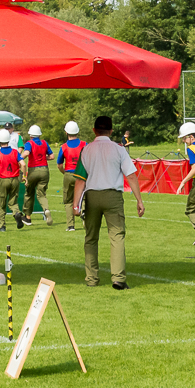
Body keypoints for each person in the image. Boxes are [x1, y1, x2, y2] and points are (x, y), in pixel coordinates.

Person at [71, 115, 145, 289]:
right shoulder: (119, 149)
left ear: (94, 130)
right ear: (111, 131)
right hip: (113, 196)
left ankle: (91, 278)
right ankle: (118, 278)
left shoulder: (86, 150)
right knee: (117, 236)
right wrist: (139, 200)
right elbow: (131, 175)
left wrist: (76, 204)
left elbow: (80, 180)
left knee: (91, 238)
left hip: (92, 196)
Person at [0, 129, 25, 232]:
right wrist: (24, 176)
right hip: (15, 179)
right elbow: (23, 164)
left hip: (4, 180)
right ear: (8, 140)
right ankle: (16, 213)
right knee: (13, 202)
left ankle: (2, 226)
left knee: (2, 204)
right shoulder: (15, 152)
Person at [21, 125, 54, 226]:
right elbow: (52, 156)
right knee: (42, 194)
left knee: (29, 193)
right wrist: (43, 158)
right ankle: (46, 209)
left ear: (30, 135)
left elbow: (26, 153)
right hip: (45, 170)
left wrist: (18, 159)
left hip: (33, 170)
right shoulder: (44, 143)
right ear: (39, 135)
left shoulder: (29, 143)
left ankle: (27, 217)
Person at [57, 121, 87, 232]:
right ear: (77, 132)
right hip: (81, 174)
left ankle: (71, 226)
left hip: (69, 174)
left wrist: (65, 173)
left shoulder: (64, 147)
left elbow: (59, 165)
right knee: (84, 196)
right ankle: (84, 211)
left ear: (66, 132)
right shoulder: (84, 144)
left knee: (68, 200)